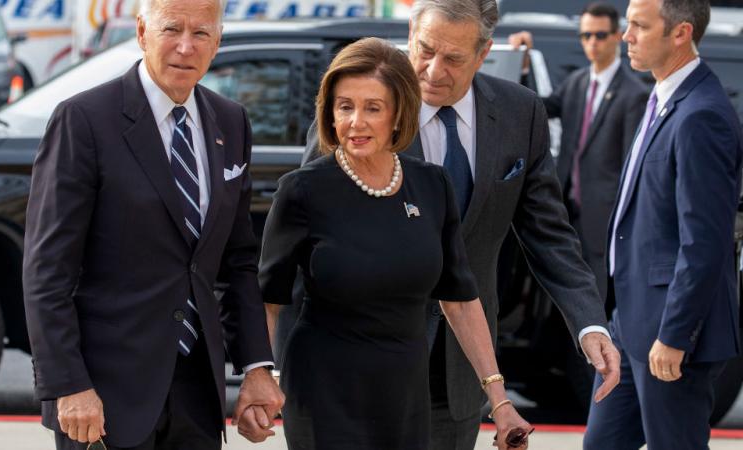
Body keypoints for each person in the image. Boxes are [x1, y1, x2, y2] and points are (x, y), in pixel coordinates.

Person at [303, 1, 621, 448]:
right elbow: (303, 243)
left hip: (461, 373)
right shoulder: (362, 107)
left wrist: (590, 323)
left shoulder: (519, 113)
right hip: (359, 363)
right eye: (425, 50)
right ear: (410, 36)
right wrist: (280, 369)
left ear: (483, 52)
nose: (434, 71)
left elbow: (549, 235)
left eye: (453, 58)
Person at [22, 0, 283, 448]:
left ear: (218, 42)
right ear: (142, 33)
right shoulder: (83, 120)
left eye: (201, 33)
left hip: (196, 394)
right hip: (103, 396)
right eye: (172, 29)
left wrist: (257, 367)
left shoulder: (231, 121)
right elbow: (47, 270)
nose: (186, 46)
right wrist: (68, 385)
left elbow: (237, 261)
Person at [259, 37, 533, 450]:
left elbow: (460, 299)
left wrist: (499, 399)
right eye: (344, 107)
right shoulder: (301, 190)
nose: (356, 122)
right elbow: (268, 300)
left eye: (372, 108)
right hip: (324, 390)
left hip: (405, 390)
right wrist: (259, 377)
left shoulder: (432, 185)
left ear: (399, 113)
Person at [584, 0, 743, 448]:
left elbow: (705, 242)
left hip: (671, 333)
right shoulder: (663, 98)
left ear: (680, 33)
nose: (626, 36)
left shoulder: (701, 115)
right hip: (630, 322)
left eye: (639, 25)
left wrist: (675, 335)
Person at [508, 1, 649, 301]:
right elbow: (537, 109)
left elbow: (633, 169)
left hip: (603, 217)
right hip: (565, 210)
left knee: (596, 299)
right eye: (586, 35)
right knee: (559, 297)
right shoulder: (577, 82)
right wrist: (523, 65)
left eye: (600, 35)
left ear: (617, 36)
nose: (592, 43)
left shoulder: (634, 94)